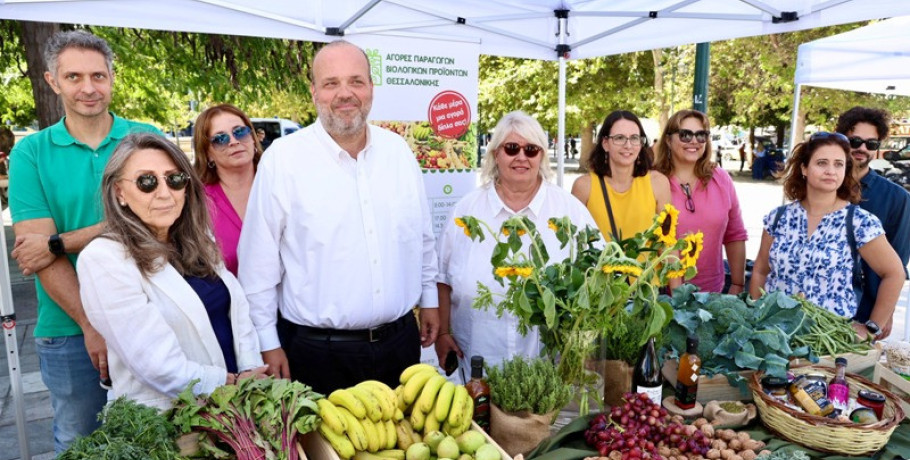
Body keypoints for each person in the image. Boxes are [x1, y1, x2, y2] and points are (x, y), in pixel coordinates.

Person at [236, 40, 439, 394]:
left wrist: (430, 300)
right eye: (331, 83)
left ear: (372, 88)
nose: (345, 93)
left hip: (401, 346)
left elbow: (421, 237)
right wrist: (268, 342)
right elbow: (258, 266)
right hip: (317, 355)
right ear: (314, 91)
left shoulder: (399, 153)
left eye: (356, 81)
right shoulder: (283, 160)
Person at [7, 30, 162, 453]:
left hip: (151, 313)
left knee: (163, 438)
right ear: (53, 81)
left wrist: (61, 240)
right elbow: (36, 255)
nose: (89, 88)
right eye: (74, 77)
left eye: (98, 75)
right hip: (69, 329)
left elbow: (162, 221)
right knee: (82, 444)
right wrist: (91, 323)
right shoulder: (31, 154)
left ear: (113, 77)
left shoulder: (145, 138)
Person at [77, 133, 266, 410]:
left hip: (237, 406)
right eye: (147, 182)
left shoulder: (199, 239)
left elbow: (239, 315)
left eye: (175, 179)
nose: (164, 193)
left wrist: (250, 371)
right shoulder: (104, 259)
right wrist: (231, 383)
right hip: (169, 421)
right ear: (119, 192)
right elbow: (157, 365)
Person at [434, 111, 597, 377]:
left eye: (531, 150)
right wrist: (442, 332)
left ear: (542, 156)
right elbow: (442, 277)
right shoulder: (467, 211)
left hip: (547, 369)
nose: (521, 156)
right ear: (496, 154)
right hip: (478, 362)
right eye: (512, 148)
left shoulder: (570, 212)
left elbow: (595, 274)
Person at [749, 132, 904, 340]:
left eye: (839, 164)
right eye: (822, 163)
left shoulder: (859, 222)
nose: (831, 171)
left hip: (827, 342)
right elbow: (760, 271)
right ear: (804, 168)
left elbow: (894, 273)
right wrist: (756, 320)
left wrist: (872, 328)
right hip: (774, 338)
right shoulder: (778, 218)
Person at [835, 107, 910, 338]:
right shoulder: (821, 187)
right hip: (815, 306)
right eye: (855, 140)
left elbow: (898, 261)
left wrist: (883, 314)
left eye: (871, 144)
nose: (862, 149)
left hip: (864, 312)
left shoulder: (897, 198)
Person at [654, 110, 748, 294]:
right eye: (685, 135)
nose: (694, 141)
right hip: (662, 295)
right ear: (668, 140)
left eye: (701, 135)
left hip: (712, 294)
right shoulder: (653, 180)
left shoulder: (721, 179)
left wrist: (738, 284)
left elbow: (735, 234)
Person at [571, 110, 672, 242]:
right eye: (619, 138)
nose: (628, 145)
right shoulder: (584, 186)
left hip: (648, 264)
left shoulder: (658, 183)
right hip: (601, 263)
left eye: (634, 138)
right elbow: (574, 241)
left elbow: (666, 243)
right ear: (605, 143)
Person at [192, 104, 262, 275]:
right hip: (233, 300)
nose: (234, 141)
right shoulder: (196, 201)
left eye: (240, 132)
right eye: (220, 139)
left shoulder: (280, 182)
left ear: (253, 138)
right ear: (207, 153)